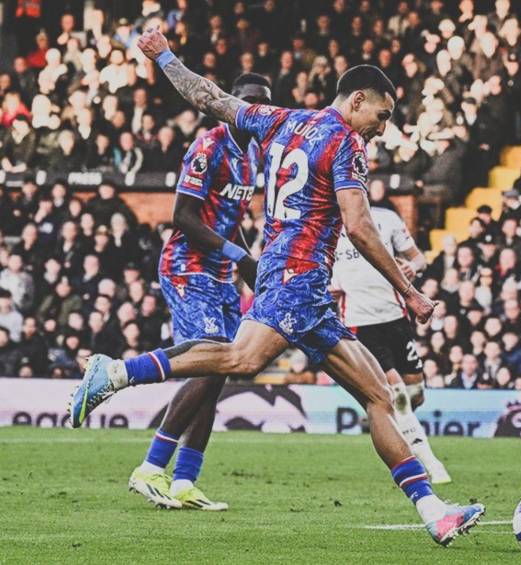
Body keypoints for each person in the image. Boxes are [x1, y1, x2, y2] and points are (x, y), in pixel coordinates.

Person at [70, 29, 483, 547]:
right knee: (241, 361)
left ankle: (434, 512)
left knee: (380, 394)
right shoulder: (346, 141)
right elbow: (358, 225)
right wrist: (409, 290)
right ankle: (116, 372)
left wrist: (166, 58)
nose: (382, 129)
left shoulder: (284, 120)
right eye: (383, 115)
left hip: (293, 278)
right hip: (299, 279)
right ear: (358, 101)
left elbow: (211, 98)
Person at [127, 74, 271, 512]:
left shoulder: (254, 154)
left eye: (264, 103)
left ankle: (185, 481)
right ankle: (150, 468)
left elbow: (232, 220)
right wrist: (238, 255)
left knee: (219, 371)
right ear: (230, 102)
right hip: (186, 267)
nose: (257, 110)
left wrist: (250, 268)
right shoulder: (210, 147)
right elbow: (183, 217)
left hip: (222, 273)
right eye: (248, 101)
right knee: (208, 361)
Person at [330, 205, 451, 484]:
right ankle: (431, 464)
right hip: (360, 323)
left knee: (415, 393)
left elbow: (418, 259)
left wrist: (413, 267)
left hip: (396, 318)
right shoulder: (332, 225)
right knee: (395, 391)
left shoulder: (387, 219)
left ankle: (394, 429)